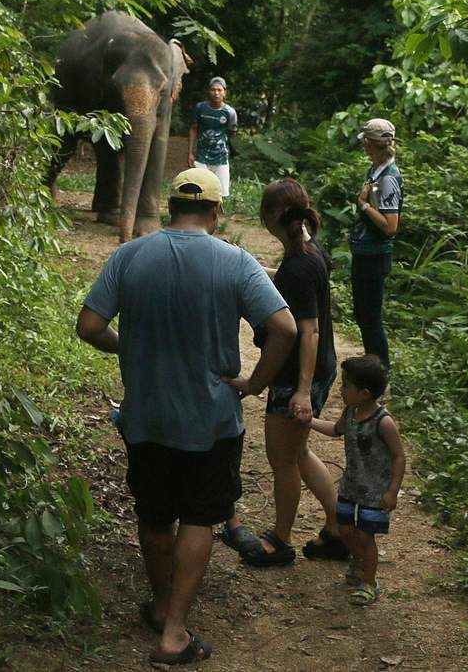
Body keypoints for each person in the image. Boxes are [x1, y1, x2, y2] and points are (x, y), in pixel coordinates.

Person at [76, 167, 297, 665]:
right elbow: (284, 328)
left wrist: (125, 348)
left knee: (155, 516)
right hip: (212, 419)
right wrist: (256, 384)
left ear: (172, 206)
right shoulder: (236, 262)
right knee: (200, 517)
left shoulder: (130, 254)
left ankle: (158, 605)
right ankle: (175, 631)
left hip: (146, 416)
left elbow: (89, 325)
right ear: (216, 211)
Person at [222, 179, 347, 567]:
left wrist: (302, 392)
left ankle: (280, 539)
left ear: (272, 217)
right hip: (320, 367)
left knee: (283, 461)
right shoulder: (312, 252)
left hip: (298, 376)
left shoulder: (300, 266)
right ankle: (339, 527)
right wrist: (263, 270)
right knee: (300, 451)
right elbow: (297, 286)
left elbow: (307, 331)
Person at [309, 355, 406, 606]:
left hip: (374, 492)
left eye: (345, 386)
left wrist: (392, 491)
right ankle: (359, 561)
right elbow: (335, 430)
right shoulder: (350, 412)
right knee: (345, 530)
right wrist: (309, 421)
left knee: (365, 536)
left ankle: (369, 582)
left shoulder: (383, 422)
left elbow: (398, 456)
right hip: (350, 486)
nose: (340, 390)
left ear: (363, 393)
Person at [348, 118, 402, 370]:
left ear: (370, 143)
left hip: (375, 255)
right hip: (365, 252)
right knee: (363, 314)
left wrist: (364, 205)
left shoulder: (388, 178)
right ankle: (373, 364)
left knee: (370, 317)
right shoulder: (376, 170)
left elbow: (390, 227)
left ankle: (380, 370)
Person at [187, 76, 238, 196]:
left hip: (221, 157)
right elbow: (194, 129)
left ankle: (216, 214)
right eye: (213, 90)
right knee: (200, 191)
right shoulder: (200, 108)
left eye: (219, 90)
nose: (216, 93)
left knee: (221, 193)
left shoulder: (230, 112)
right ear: (208, 91)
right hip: (201, 157)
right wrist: (190, 152)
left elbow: (232, 133)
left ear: (225, 92)